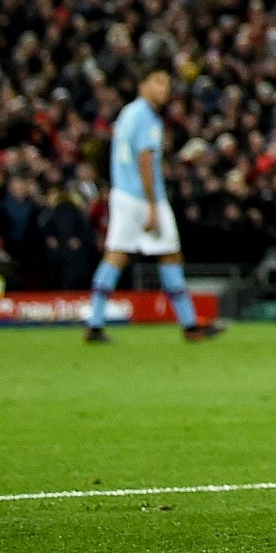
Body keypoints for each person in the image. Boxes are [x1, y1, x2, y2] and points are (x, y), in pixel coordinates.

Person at [85, 66, 218, 344]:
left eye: (167, 85)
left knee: (116, 255)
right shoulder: (147, 118)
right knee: (170, 255)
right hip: (144, 197)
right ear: (142, 84)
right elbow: (145, 161)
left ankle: (94, 323)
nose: (164, 90)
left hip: (122, 193)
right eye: (158, 82)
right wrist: (152, 206)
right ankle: (190, 324)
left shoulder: (127, 114)